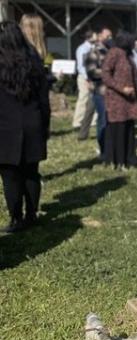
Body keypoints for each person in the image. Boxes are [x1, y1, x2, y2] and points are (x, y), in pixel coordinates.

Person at [0, 21, 50, 233]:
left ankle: (16, 217)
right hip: (32, 122)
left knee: (10, 175)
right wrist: (45, 126)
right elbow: (44, 99)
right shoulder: (34, 61)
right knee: (31, 172)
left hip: (4, 126)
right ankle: (32, 213)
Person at [102, 30, 137, 169]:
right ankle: (118, 161)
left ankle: (130, 159)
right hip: (117, 99)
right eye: (133, 40)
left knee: (129, 130)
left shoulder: (127, 54)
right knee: (118, 130)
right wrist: (121, 88)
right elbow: (105, 74)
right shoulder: (114, 52)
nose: (135, 43)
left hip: (129, 100)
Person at [85, 27, 112, 159]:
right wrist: (108, 72)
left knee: (111, 121)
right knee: (103, 121)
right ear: (100, 36)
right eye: (107, 36)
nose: (109, 39)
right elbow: (91, 71)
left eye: (110, 36)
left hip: (113, 92)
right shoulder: (93, 52)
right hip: (101, 92)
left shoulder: (112, 52)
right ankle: (103, 151)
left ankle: (110, 148)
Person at [72, 29, 95, 140]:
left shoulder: (93, 48)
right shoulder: (82, 49)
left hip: (93, 76)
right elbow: (81, 66)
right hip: (85, 77)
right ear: (90, 37)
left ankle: (93, 121)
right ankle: (78, 121)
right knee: (84, 98)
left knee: (94, 99)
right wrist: (87, 78)